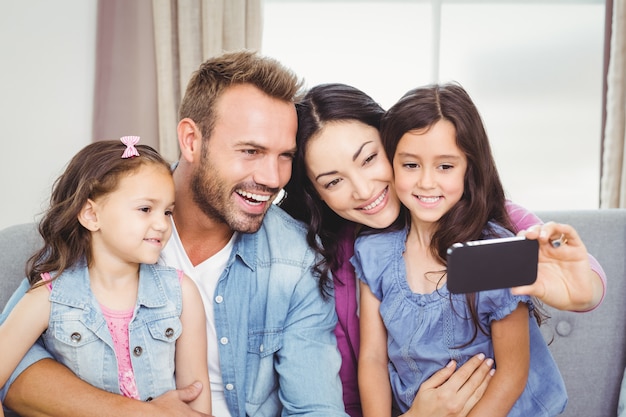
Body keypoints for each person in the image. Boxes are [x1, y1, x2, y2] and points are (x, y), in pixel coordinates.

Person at [1, 51, 348, 417]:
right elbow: (15, 367)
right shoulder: (113, 217)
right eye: (251, 150)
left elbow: (316, 408)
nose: (273, 178)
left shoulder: (297, 259)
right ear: (192, 140)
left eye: (284, 156)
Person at [281, 83, 605, 417]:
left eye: (369, 158)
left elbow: (516, 368)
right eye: (333, 181)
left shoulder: (494, 238)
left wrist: (583, 292)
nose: (363, 190)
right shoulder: (363, 252)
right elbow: (370, 362)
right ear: (315, 192)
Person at [352, 82, 567, 417]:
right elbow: (372, 359)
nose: (426, 182)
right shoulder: (373, 252)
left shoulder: (494, 250)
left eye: (445, 166)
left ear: (469, 168)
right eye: (411, 165)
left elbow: (512, 374)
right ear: (391, 163)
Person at [0, 138, 212, 416]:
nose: (162, 224)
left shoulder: (181, 292)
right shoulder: (48, 297)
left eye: (168, 211)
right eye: (145, 209)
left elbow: (196, 400)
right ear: (91, 215)